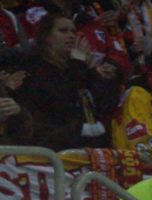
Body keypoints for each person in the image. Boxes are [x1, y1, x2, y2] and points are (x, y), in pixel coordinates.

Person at [12, 12, 118, 151]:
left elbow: (107, 104)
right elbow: (61, 104)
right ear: (46, 37)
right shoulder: (34, 67)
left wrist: (92, 71)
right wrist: (78, 65)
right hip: (49, 148)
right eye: (63, 31)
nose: (71, 36)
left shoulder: (76, 66)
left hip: (87, 148)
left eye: (73, 31)